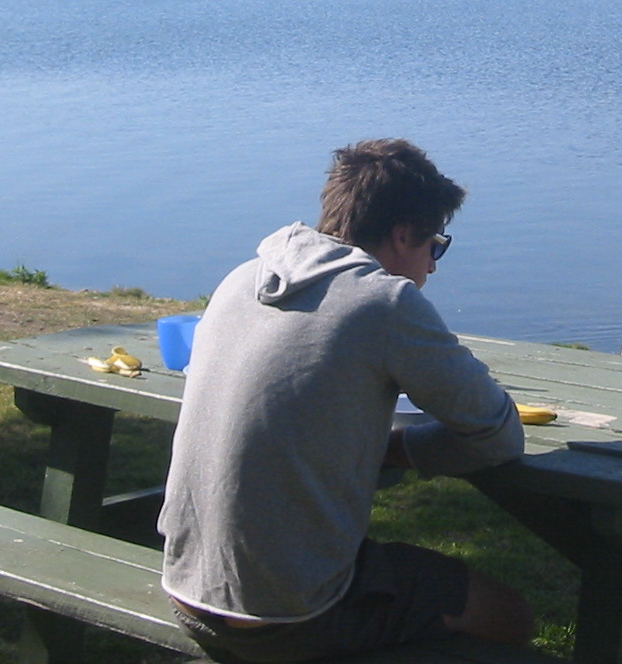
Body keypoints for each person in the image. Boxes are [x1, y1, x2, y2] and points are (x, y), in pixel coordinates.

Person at [159, 138, 533, 663]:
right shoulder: (385, 301)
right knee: (510, 615)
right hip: (288, 618)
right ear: (403, 235)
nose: (433, 266)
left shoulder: (241, 279)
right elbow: (499, 433)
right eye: (436, 247)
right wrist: (403, 449)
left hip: (186, 592)